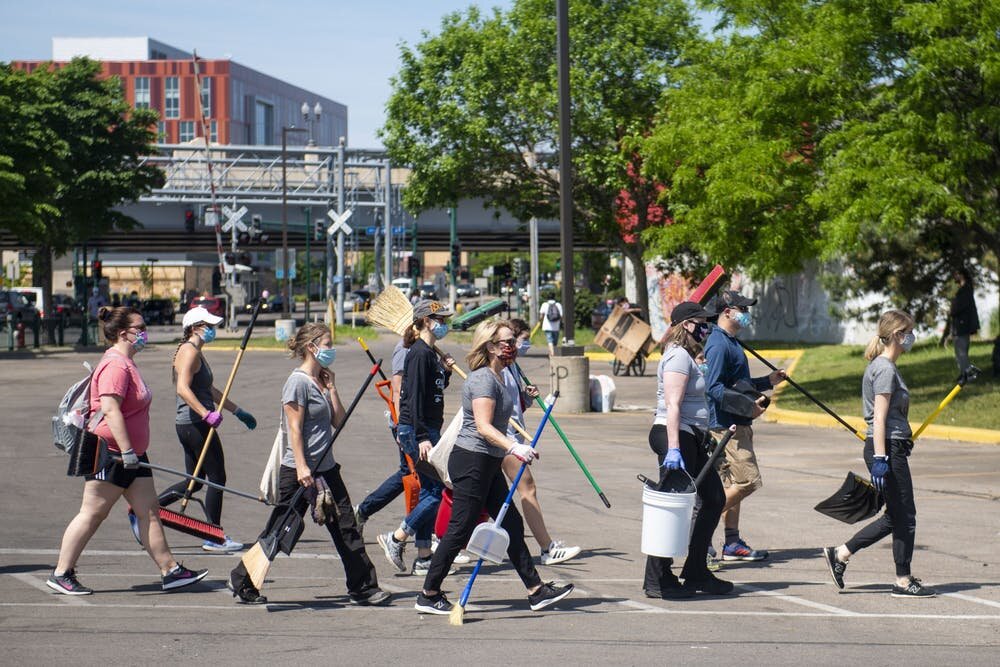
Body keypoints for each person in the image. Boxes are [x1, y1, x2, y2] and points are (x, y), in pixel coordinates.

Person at [415, 319, 574, 615]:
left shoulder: (502, 376)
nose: (513, 347)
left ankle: (536, 590)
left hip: (488, 460)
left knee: (511, 524)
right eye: (507, 342)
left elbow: (503, 416)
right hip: (472, 461)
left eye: (514, 341)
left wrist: (525, 399)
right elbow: (484, 426)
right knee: (460, 529)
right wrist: (514, 446)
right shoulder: (483, 379)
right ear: (490, 347)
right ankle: (429, 592)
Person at [47, 306, 208, 595]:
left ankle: (170, 570)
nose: (145, 333)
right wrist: (126, 450)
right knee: (92, 514)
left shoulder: (127, 363)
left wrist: (133, 452)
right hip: (111, 454)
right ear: (124, 333)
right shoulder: (115, 366)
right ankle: (61, 572)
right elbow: (109, 409)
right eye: (141, 328)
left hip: (131, 456)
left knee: (149, 512)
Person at [228, 323, 390, 605]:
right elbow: (295, 429)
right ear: (312, 347)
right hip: (299, 470)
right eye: (327, 344)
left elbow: (338, 422)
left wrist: (332, 389)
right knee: (280, 529)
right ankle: (244, 580)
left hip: (326, 468)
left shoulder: (320, 381)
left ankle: (363, 587)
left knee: (346, 527)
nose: (331, 349)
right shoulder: (297, 382)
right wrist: (302, 467)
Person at [823, 309, 935, 598]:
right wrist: (882, 458)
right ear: (897, 334)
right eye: (908, 331)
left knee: (895, 516)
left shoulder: (882, 366)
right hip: (885, 448)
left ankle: (841, 553)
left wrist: (900, 440)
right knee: (905, 516)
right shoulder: (884, 368)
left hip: (889, 445)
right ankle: (902, 580)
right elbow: (881, 418)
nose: (911, 336)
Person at [645, 302, 732, 598]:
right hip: (675, 437)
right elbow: (673, 405)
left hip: (690, 436)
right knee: (673, 509)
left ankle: (695, 571)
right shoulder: (678, 357)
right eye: (701, 322)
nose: (706, 327)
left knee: (713, 498)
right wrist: (673, 449)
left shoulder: (689, 356)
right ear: (686, 325)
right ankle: (658, 579)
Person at [152, 306, 257, 553]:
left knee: (195, 482)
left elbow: (209, 389)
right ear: (195, 327)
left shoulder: (193, 351)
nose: (213, 330)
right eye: (208, 325)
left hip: (189, 424)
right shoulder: (189, 352)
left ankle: (150, 508)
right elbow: (183, 389)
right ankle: (213, 536)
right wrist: (206, 414)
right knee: (217, 478)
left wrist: (237, 411)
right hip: (194, 424)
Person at [704, 290, 785, 561]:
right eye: (742, 308)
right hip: (726, 425)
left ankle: (731, 542)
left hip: (737, 423)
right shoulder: (717, 344)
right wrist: (747, 408)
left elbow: (738, 385)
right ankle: (699, 529)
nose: (747, 314)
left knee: (733, 484)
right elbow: (713, 388)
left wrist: (766, 382)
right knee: (748, 481)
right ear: (727, 311)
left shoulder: (731, 341)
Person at [377, 300, 456, 576]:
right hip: (419, 429)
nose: (444, 324)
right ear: (425, 320)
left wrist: (445, 371)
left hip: (429, 427)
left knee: (428, 491)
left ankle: (423, 555)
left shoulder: (430, 354)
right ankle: (397, 537)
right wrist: (422, 436)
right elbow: (414, 398)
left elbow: (434, 388)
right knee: (438, 492)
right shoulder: (419, 353)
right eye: (439, 318)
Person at [501, 319, 581, 565]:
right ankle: (546, 548)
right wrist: (513, 443)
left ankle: (423, 540)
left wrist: (527, 395)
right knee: (527, 488)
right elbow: (498, 407)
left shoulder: (512, 368)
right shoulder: (501, 369)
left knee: (476, 500)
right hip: (505, 439)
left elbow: (514, 405)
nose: (525, 345)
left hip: (512, 436)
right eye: (522, 340)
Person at [947, 267, 979, 374]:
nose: (954, 276)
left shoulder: (965, 290)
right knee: (960, 352)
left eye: (956, 274)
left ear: (961, 275)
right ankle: (964, 374)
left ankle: (967, 375)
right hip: (961, 325)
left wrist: (951, 310)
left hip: (962, 325)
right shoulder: (965, 289)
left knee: (961, 353)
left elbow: (959, 308)